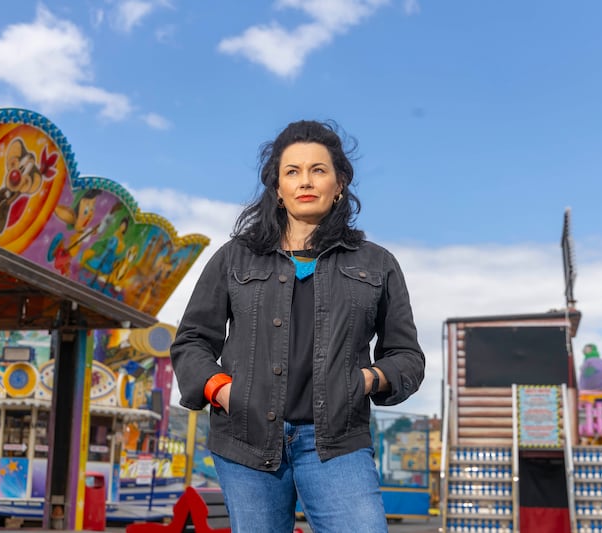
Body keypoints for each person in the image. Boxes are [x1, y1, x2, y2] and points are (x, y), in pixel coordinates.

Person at [170, 119, 425, 533]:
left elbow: (407, 356)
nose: (305, 181)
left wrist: (369, 379)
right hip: (246, 441)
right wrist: (222, 390)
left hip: (337, 442)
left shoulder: (377, 263)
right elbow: (192, 341)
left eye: (318, 170)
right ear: (277, 189)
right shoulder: (235, 258)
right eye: (292, 172)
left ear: (339, 183)